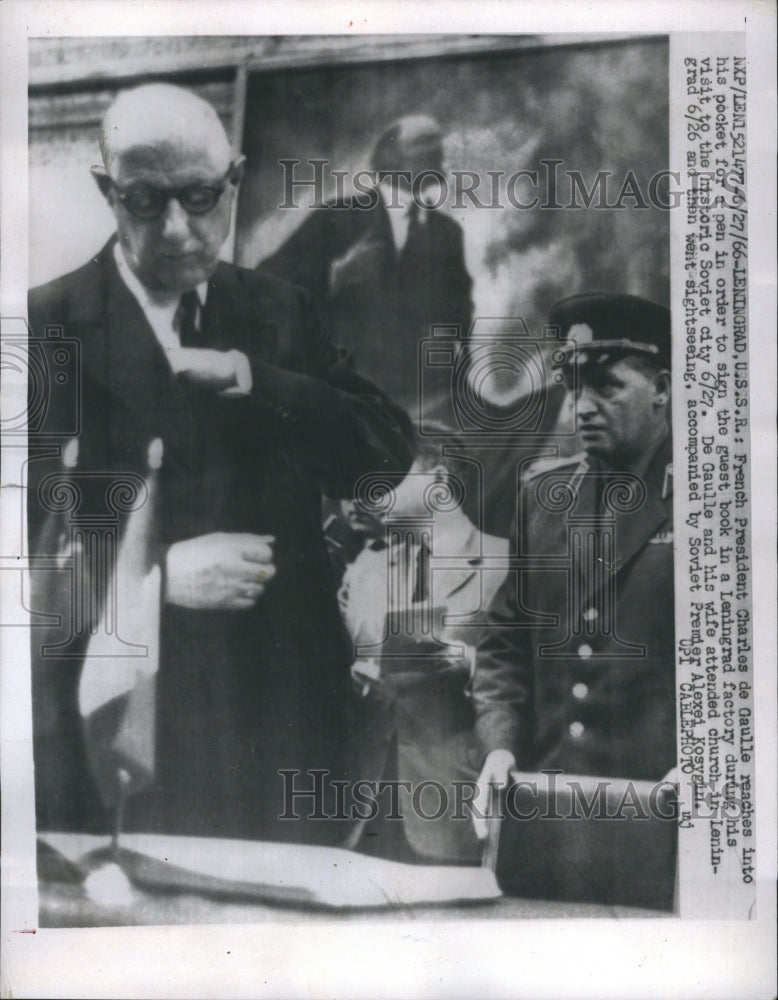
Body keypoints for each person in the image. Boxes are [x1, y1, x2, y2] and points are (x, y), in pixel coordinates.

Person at [27, 83, 413, 844]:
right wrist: (158, 576)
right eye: (144, 201)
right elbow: (22, 545)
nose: (176, 229)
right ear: (108, 192)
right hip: (133, 725)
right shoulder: (45, 327)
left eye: (201, 197)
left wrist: (255, 376)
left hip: (284, 715)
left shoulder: (279, 312)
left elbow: (381, 459)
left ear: (233, 182)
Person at [470, 293, 676, 837]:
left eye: (607, 387)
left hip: (663, 816)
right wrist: (500, 749)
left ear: (663, 389)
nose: (583, 406)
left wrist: (716, 765)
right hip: (545, 813)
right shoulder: (542, 496)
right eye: (576, 387)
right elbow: (504, 644)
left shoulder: (710, 502)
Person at [339, 431, 508, 862]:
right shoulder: (365, 566)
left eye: (391, 471)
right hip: (360, 800)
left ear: (438, 479)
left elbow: (523, 680)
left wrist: (466, 663)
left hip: (449, 797)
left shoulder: (507, 564)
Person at [260, 114, 473, 415]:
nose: (441, 164)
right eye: (430, 153)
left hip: (423, 402)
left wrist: (460, 380)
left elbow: (460, 318)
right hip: (345, 396)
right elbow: (269, 281)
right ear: (397, 163)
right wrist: (335, 275)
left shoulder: (448, 234)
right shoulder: (337, 217)